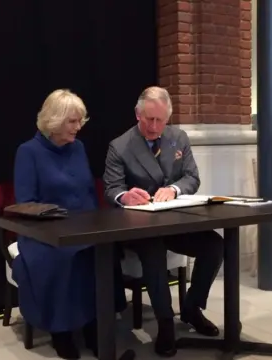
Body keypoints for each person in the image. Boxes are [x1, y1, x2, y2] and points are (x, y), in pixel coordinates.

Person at [103, 86, 223, 357]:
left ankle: (192, 308)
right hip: (139, 227)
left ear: (168, 117)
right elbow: (111, 188)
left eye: (160, 120)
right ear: (137, 114)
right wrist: (126, 196)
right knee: (153, 251)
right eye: (149, 119)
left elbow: (192, 177)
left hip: (175, 222)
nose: (154, 126)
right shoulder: (120, 146)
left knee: (215, 245)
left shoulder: (178, 137)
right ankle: (165, 321)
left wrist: (175, 189)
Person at [12, 89, 126, 359]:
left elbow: (87, 194)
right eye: (72, 122)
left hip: (83, 227)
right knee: (64, 259)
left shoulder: (78, 148)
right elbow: (26, 203)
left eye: (80, 121)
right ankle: (61, 331)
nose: (78, 128)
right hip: (45, 233)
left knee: (103, 252)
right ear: (53, 121)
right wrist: (59, 223)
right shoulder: (28, 152)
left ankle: (94, 327)